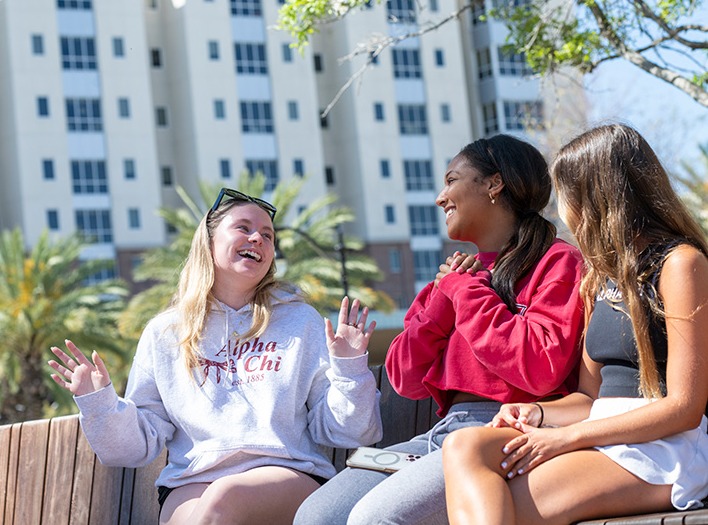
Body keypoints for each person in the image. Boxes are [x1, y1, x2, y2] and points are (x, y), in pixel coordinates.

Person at [294, 135, 586, 525]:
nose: (440, 197)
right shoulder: (450, 282)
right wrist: (443, 304)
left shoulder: (557, 262)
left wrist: (464, 292)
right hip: (442, 434)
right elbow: (403, 378)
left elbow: (537, 367)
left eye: (452, 180)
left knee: (374, 520)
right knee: (316, 517)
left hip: (511, 431)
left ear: (493, 184)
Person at [49, 188, 383, 525]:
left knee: (224, 497)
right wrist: (98, 403)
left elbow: (351, 434)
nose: (258, 238)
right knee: (209, 505)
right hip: (191, 481)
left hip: (288, 473)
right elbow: (134, 447)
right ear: (208, 244)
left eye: (268, 235)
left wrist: (350, 369)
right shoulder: (165, 332)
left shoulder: (300, 321)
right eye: (243, 227)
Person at [442, 123, 708, 525]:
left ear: (600, 197)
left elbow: (684, 408)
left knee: (501, 506)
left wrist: (566, 438)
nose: (565, 213)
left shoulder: (680, 264)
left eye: (569, 198)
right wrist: (535, 414)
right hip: (601, 435)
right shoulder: (600, 279)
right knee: (465, 447)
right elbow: (588, 399)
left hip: (661, 447)